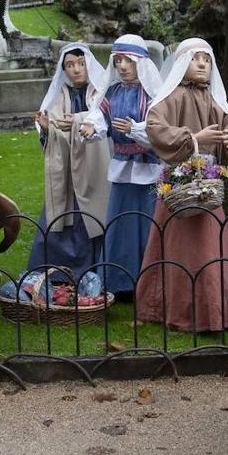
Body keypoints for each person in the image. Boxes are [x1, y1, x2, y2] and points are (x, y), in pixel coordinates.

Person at [138, 38, 228, 332]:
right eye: (195, 58)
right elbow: (155, 128)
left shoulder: (215, 101)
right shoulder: (171, 98)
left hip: (209, 186)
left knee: (210, 244)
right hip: (178, 186)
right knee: (180, 247)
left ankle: (218, 307)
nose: (203, 64)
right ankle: (181, 307)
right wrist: (194, 139)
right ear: (181, 64)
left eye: (207, 59)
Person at [79, 35, 163, 298]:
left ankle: (149, 281)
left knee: (147, 223)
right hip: (122, 169)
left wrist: (136, 130)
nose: (122, 66)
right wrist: (90, 126)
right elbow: (99, 116)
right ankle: (119, 280)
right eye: (117, 61)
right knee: (121, 224)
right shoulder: (112, 93)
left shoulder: (153, 95)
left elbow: (159, 130)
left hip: (148, 170)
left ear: (140, 62)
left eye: (128, 60)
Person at [29, 44, 111, 283]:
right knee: (62, 214)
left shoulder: (99, 94)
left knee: (94, 215)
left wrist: (76, 120)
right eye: (70, 65)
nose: (76, 69)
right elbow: (53, 128)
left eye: (81, 63)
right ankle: (57, 271)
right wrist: (47, 128)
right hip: (66, 173)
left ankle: (96, 268)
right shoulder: (58, 96)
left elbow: (103, 120)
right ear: (63, 70)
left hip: (94, 168)